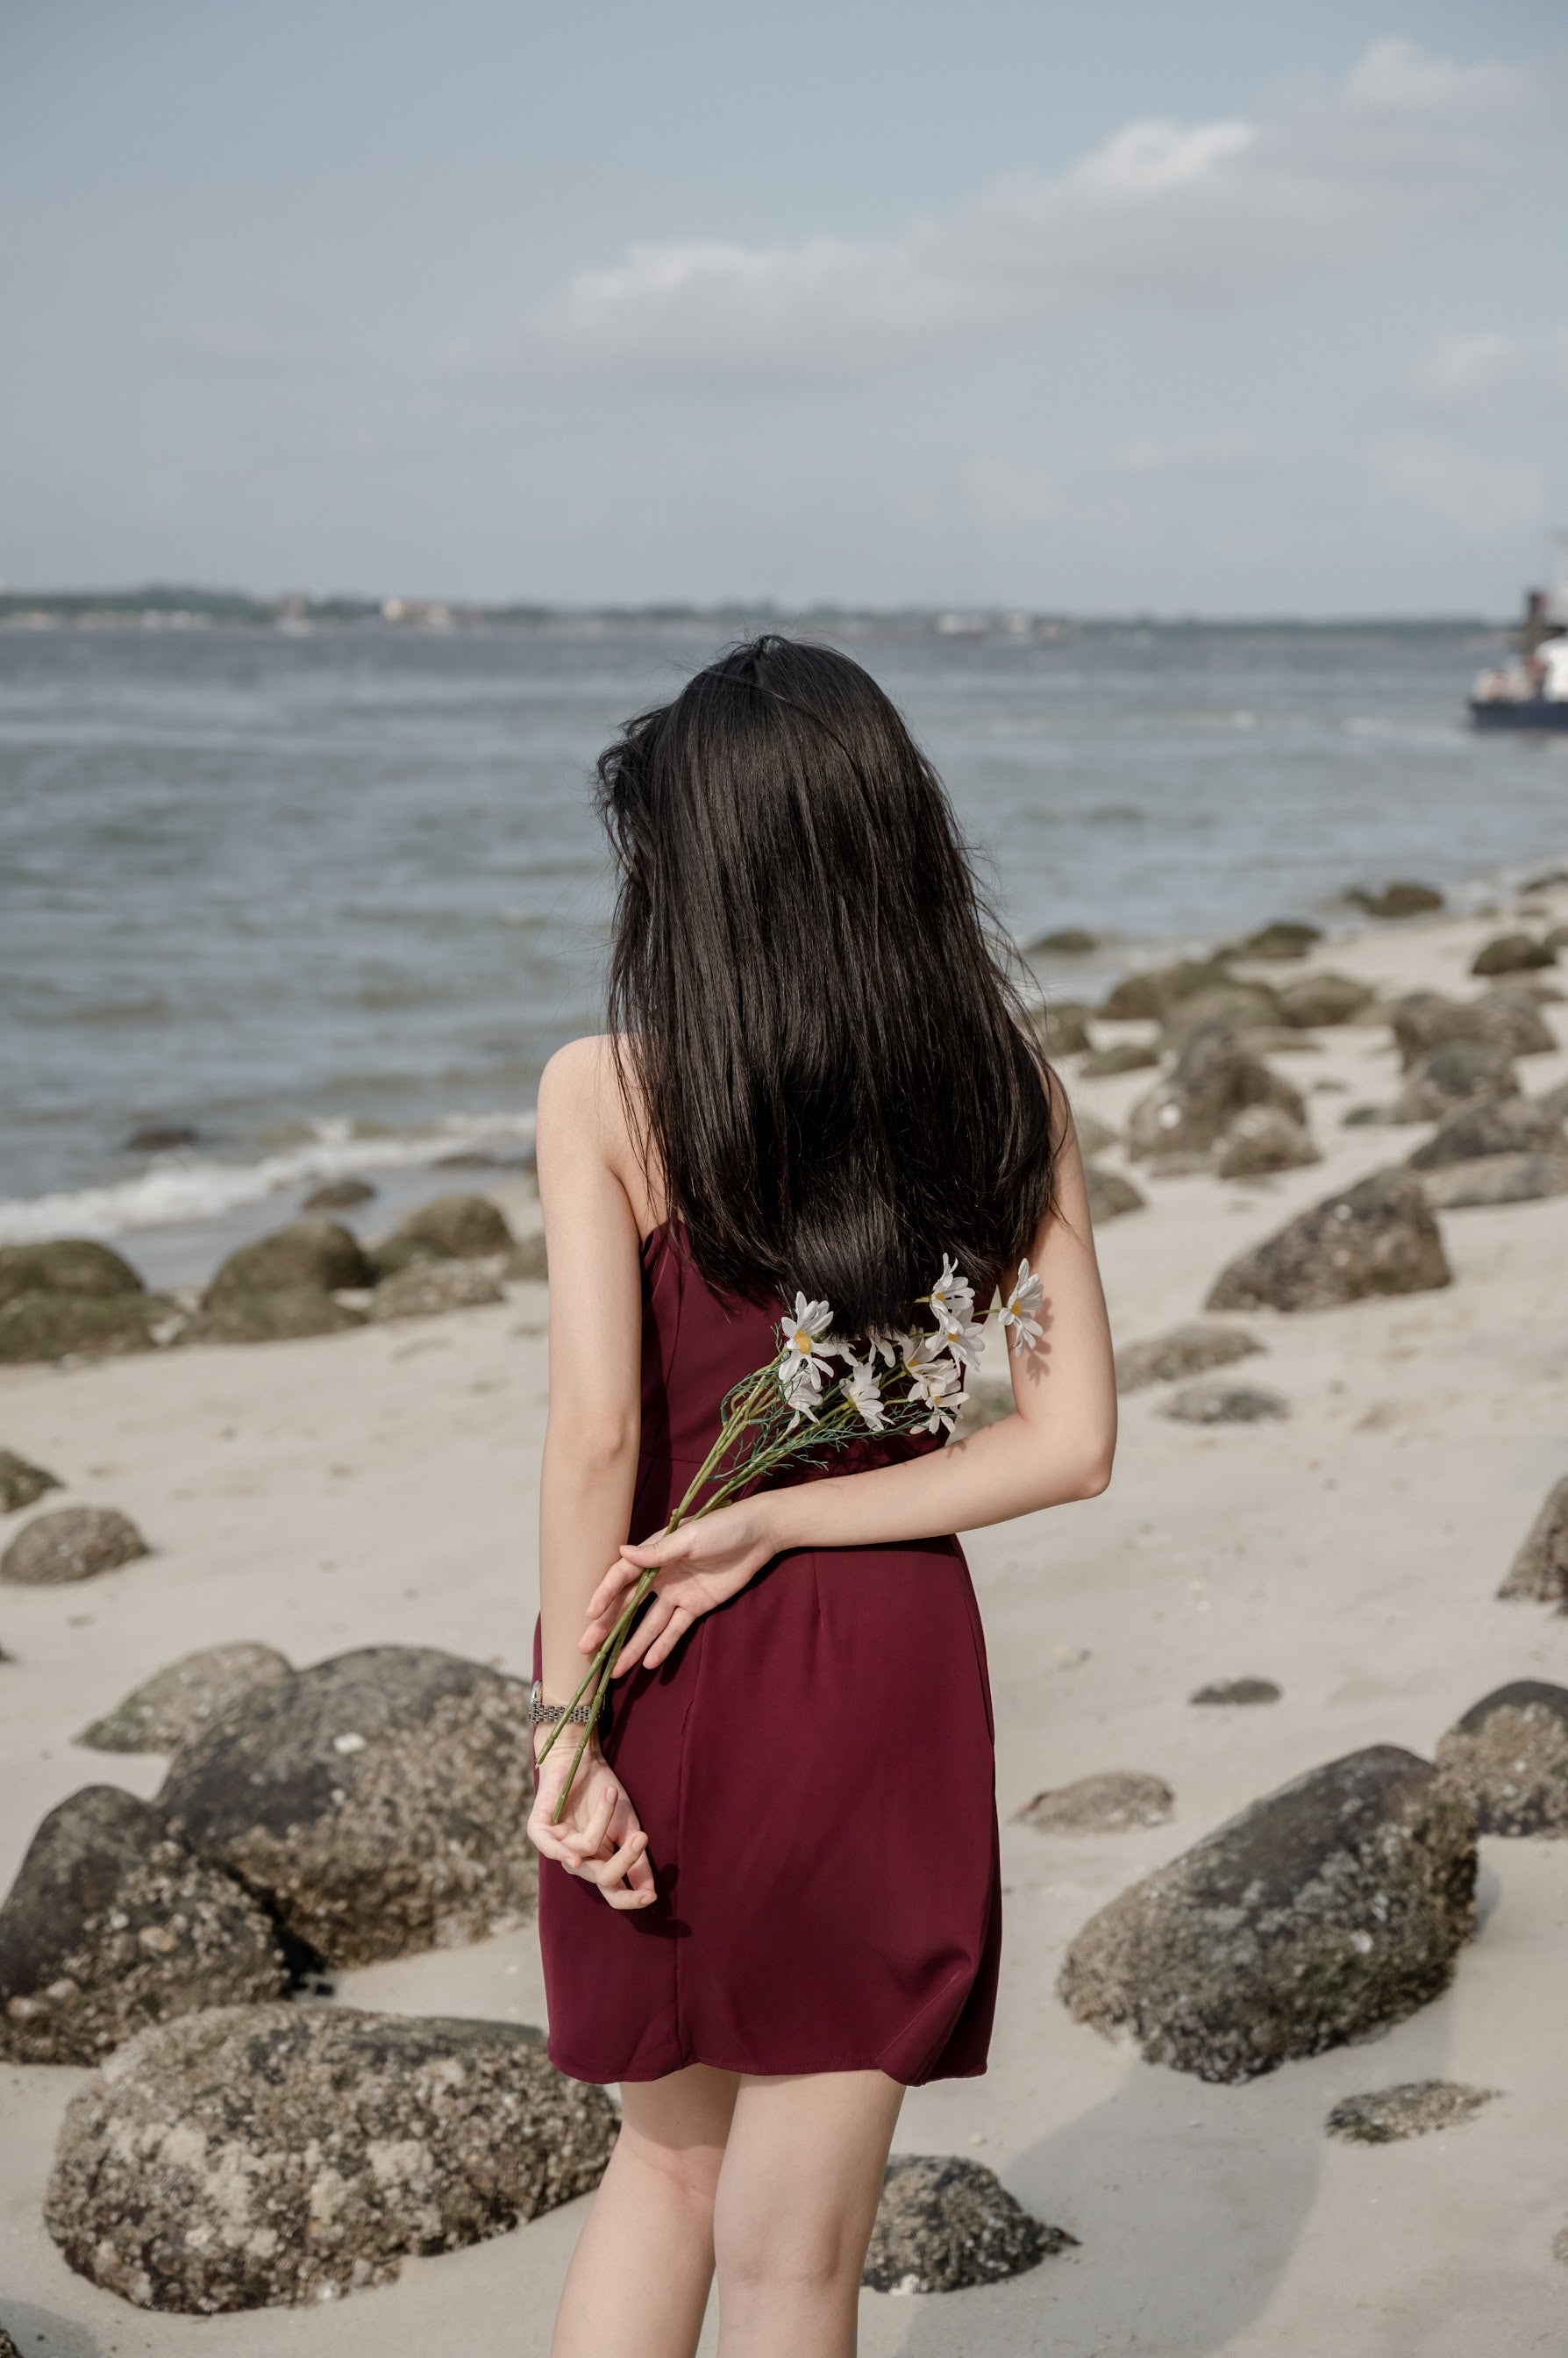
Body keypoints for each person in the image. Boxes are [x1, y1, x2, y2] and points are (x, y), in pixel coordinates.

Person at [527, 636, 1116, 2358]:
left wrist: (565, 1723)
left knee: (665, 2183)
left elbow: (588, 1439)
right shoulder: (1007, 1093)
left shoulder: (607, 1090)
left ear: (696, 878)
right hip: (886, 1681)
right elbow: (1067, 1440)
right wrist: (796, 1514)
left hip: (655, 1653)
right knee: (799, 2265)